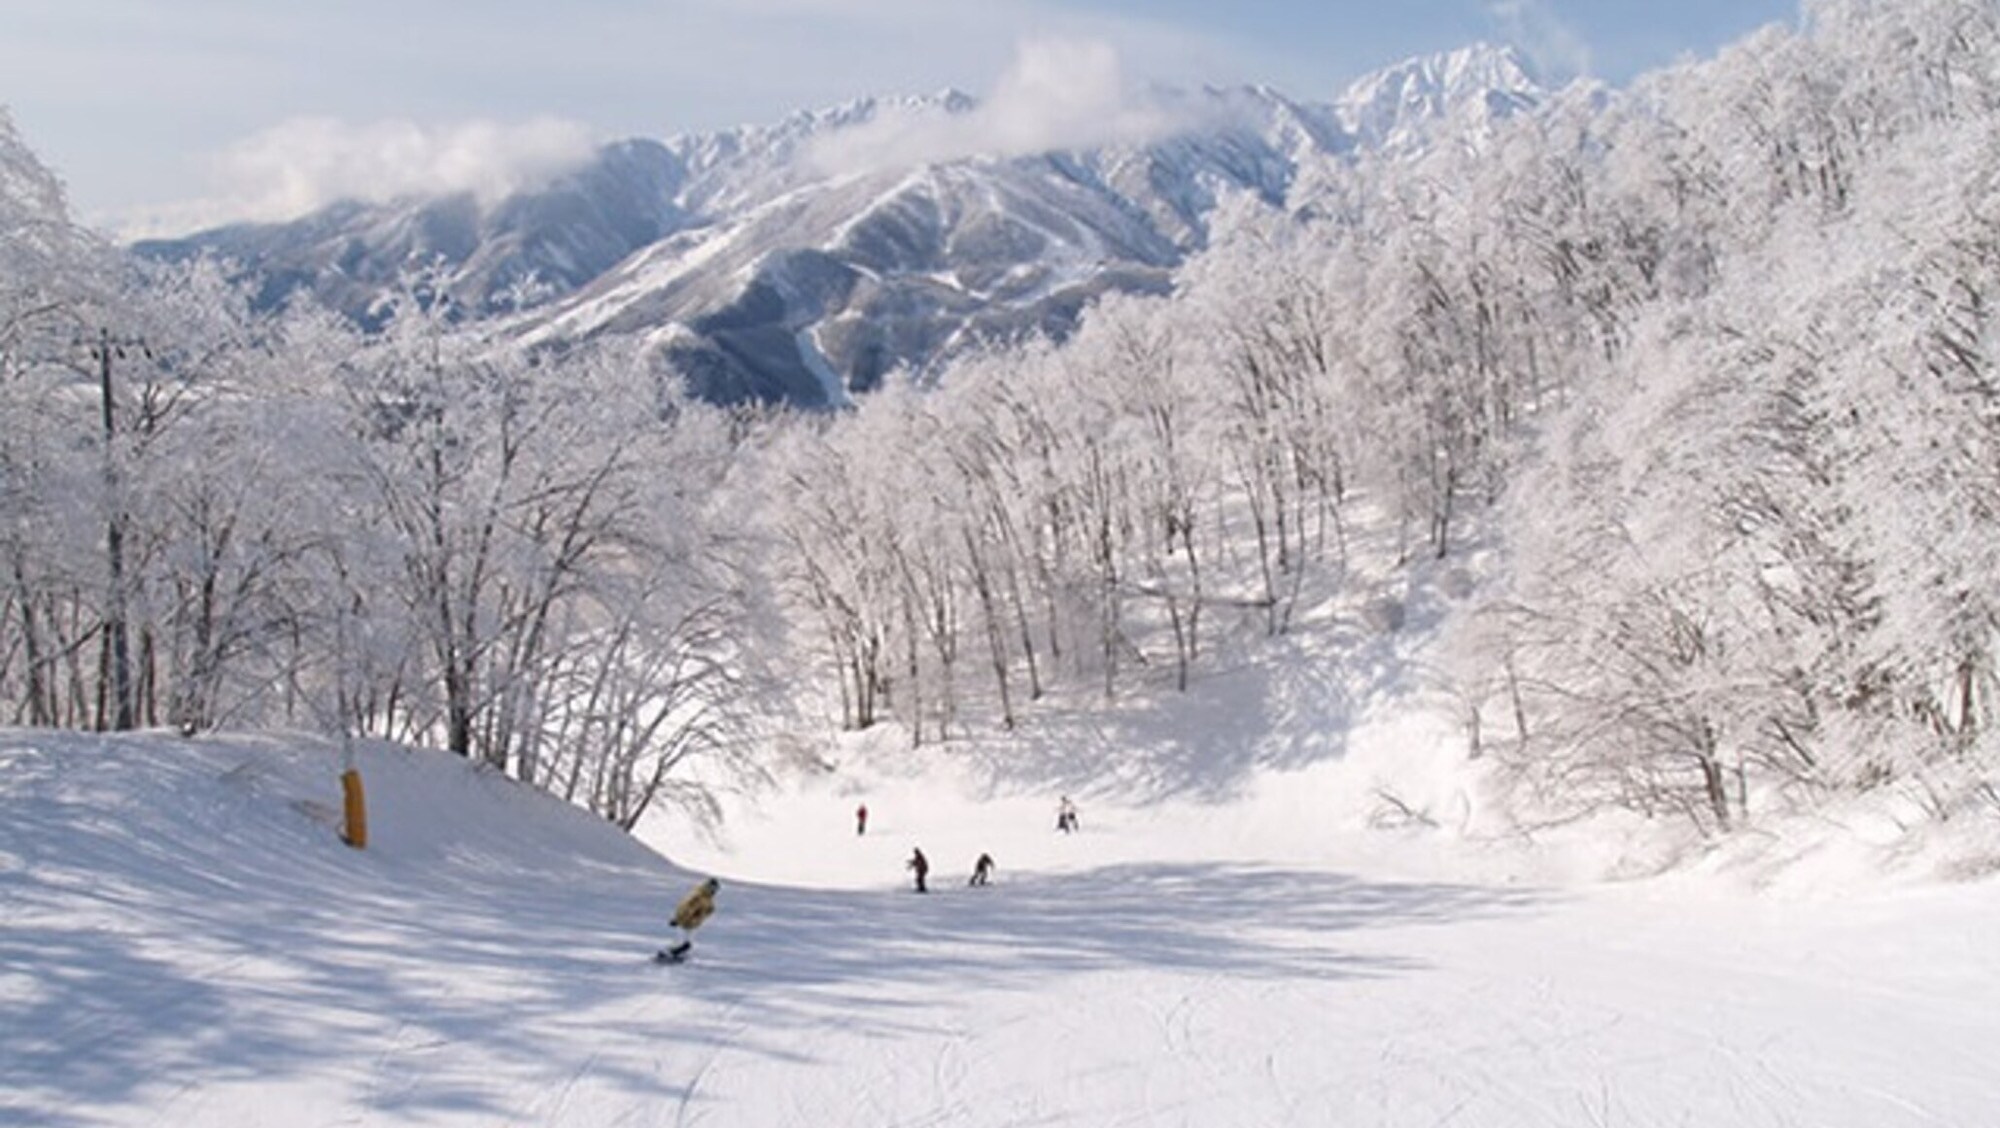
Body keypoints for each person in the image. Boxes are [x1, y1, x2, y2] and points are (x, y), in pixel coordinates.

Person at [659, 876, 720, 962]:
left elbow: (706, 911)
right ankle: (670, 953)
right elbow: (685, 907)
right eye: (712, 888)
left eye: (715, 889)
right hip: (686, 921)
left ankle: (678, 953)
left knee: (687, 943)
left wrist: (707, 913)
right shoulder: (698, 896)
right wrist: (678, 918)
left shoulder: (708, 900)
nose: (713, 891)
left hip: (693, 924)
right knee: (683, 942)